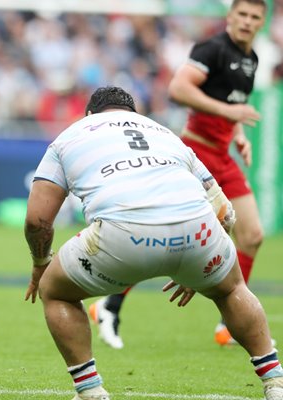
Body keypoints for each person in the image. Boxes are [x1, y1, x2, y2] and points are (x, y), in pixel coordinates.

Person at [24, 86, 282, 400]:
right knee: (231, 289)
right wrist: (204, 262)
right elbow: (225, 214)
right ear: (134, 114)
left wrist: (40, 264)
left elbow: (38, 221)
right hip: (199, 230)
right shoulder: (165, 134)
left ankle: (90, 389)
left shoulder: (69, 135)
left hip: (123, 235)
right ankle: (275, 381)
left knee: (56, 291)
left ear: (89, 115)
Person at [89, 0, 268, 349]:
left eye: (254, 17)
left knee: (253, 234)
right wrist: (230, 112)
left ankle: (231, 321)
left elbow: (230, 106)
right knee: (162, 233)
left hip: (223, 155)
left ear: (261, 22)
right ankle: (109, 304)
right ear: (230, 17)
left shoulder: (252, 59)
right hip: (197, 154)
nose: (247, 22)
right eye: (242, 14)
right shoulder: (212, 48)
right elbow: (179, 89)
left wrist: (240, 136)